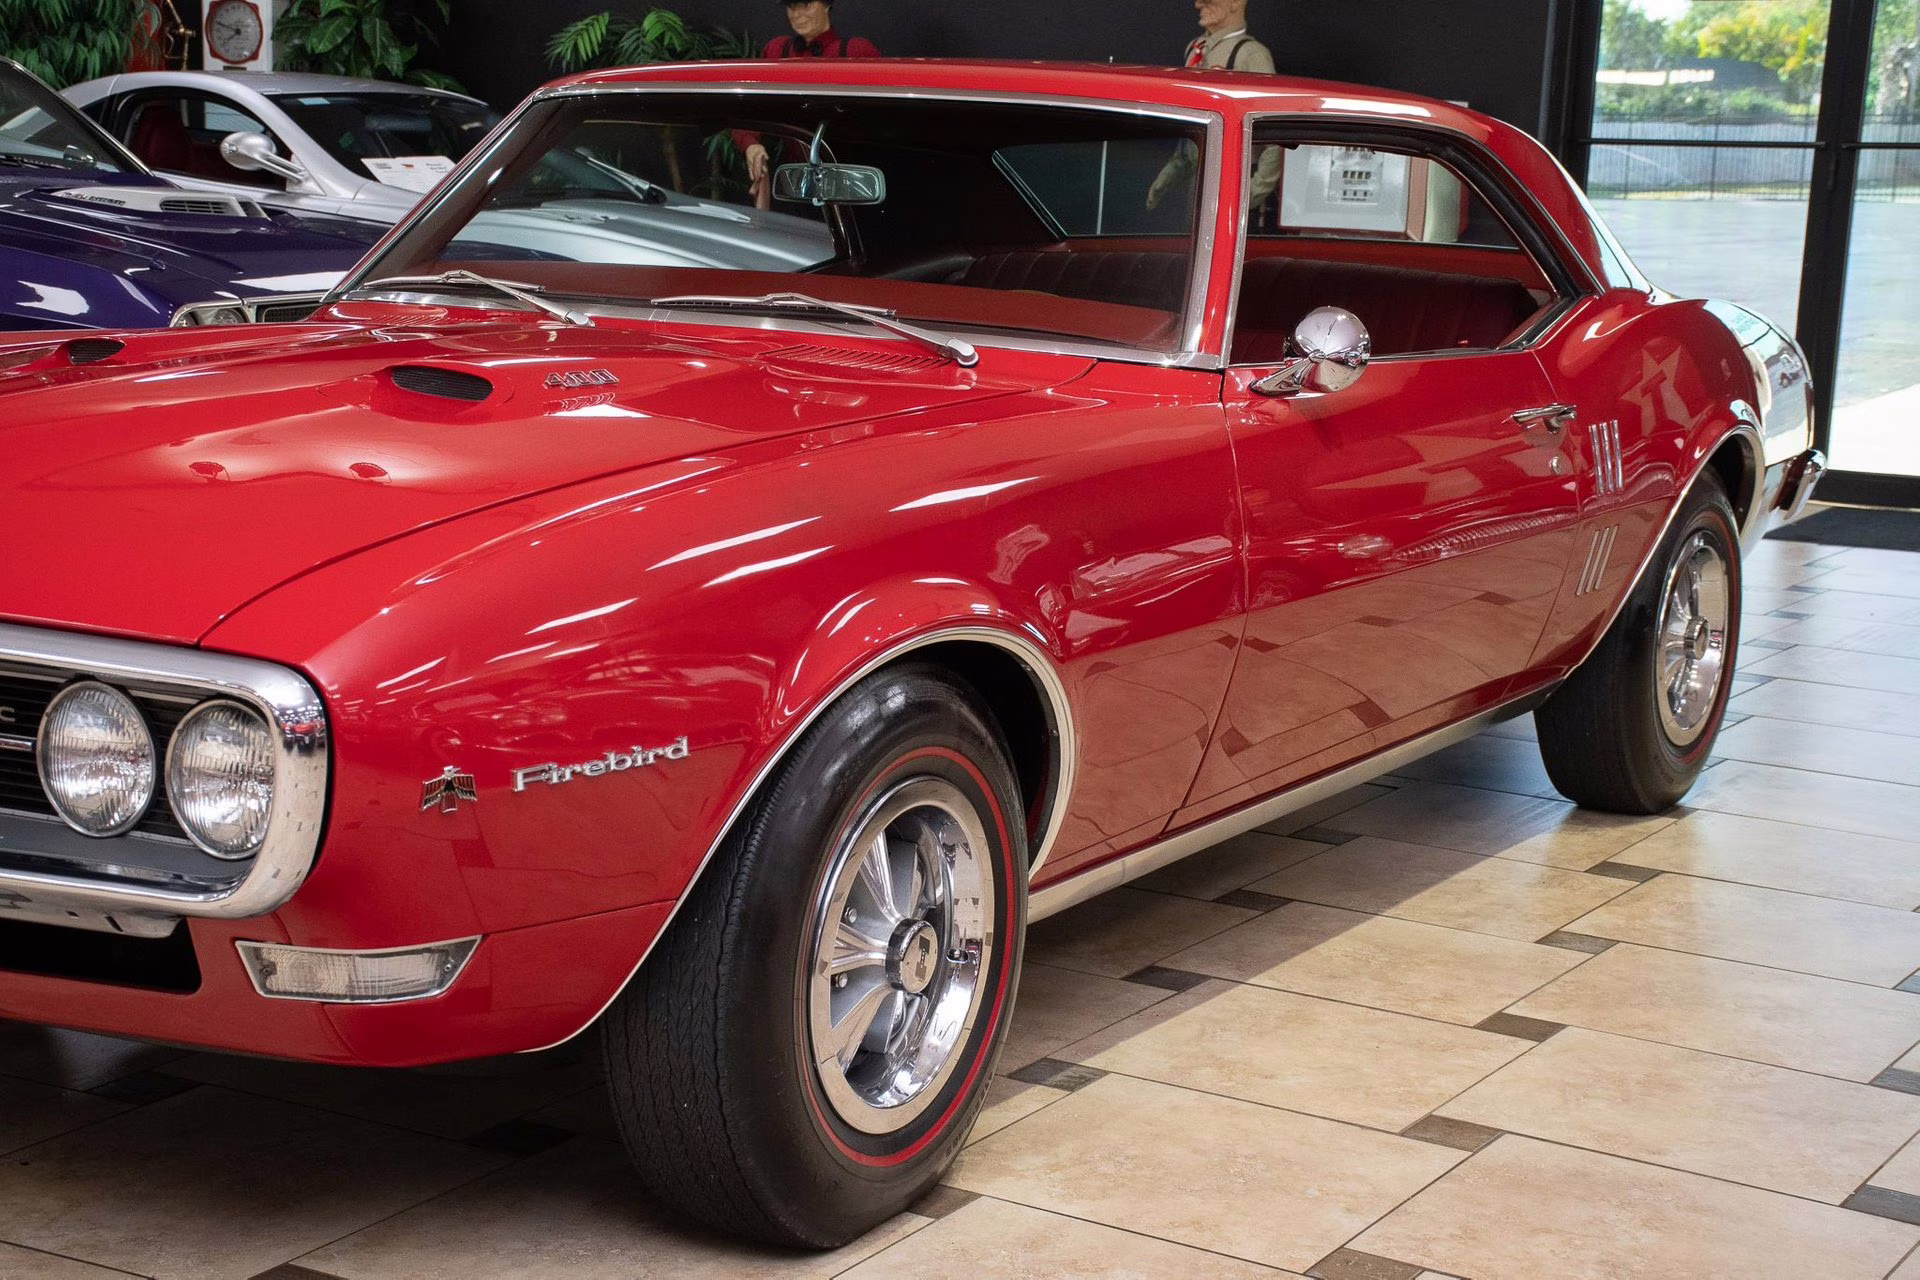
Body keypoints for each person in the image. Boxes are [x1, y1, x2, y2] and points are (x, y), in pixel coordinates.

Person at [742, 1, 881, 207]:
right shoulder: (777, 51)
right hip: (795, 186)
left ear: (826, 5)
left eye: (805, 5)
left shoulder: (855, 50)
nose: (796, 14)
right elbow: (753, 105)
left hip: (849, 186)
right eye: (791, 7)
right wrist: (751, 143)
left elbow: (882, 115)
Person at [1149, 0, 1282, 212]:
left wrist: (1251, 195)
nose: (1198, 4)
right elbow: (1190, 120)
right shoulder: (1195, 51)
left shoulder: (1251, 55)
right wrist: (1173, 169)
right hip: (1198, 182)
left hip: (1233, 185)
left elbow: (1275, 136)